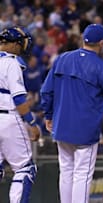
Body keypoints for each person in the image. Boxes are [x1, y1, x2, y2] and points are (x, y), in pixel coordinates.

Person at [40, 24, 103, 203]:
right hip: (85, 130)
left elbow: (46, 91)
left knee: (67, 171)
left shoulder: (62, 59)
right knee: (82, 174)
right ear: (101, 43)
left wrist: (48, 115)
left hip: (62, 126)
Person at [0, 26, 40, 202]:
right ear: (13, 44)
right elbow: (19, 99)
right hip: (8, 118)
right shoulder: (11, 62)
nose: (22, 47)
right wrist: (31, 123)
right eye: (20, 43)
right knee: (25, 168)